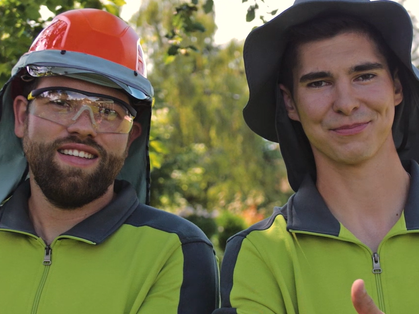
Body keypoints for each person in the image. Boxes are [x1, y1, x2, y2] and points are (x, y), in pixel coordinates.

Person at [0, 8, 219, 313]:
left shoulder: (175, 251)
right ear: (22, 117)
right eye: (61, 102)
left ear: (131, 138)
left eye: (108, 111)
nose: (84, 126)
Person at [214, 0, 419, 313]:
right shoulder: (262, 254)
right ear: (290, 103)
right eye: (319, 82)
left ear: (397, 87)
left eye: (364, 76)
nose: (346, 103)